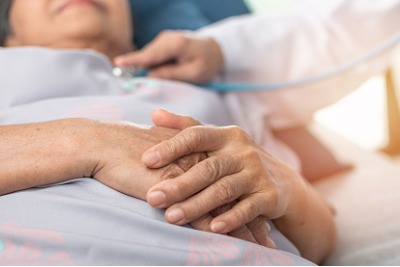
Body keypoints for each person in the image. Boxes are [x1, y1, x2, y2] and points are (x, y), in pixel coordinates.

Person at [0, 0, 335, 264]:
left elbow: (320, 241)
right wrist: (89, 142)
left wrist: (287, 186)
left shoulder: (214, 93)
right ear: (8, 33)